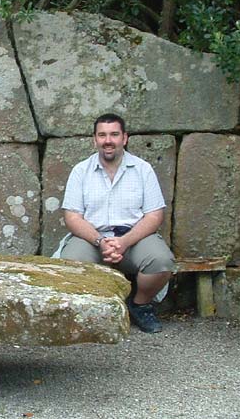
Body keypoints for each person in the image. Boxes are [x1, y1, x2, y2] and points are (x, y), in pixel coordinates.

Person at [58, 113, 174, 333]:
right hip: (93, 238)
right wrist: (101, 241)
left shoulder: (143, 170)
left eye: (114, 134)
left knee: (161, 260)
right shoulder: (81, 171)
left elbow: (154, 215)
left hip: (134, 237)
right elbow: (72, 217)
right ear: (95, 140)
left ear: (125, 138)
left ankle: (140, 305)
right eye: (102, 135)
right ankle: (94, 309)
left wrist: (124, 241)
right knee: (72, 263)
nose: (108, 140)